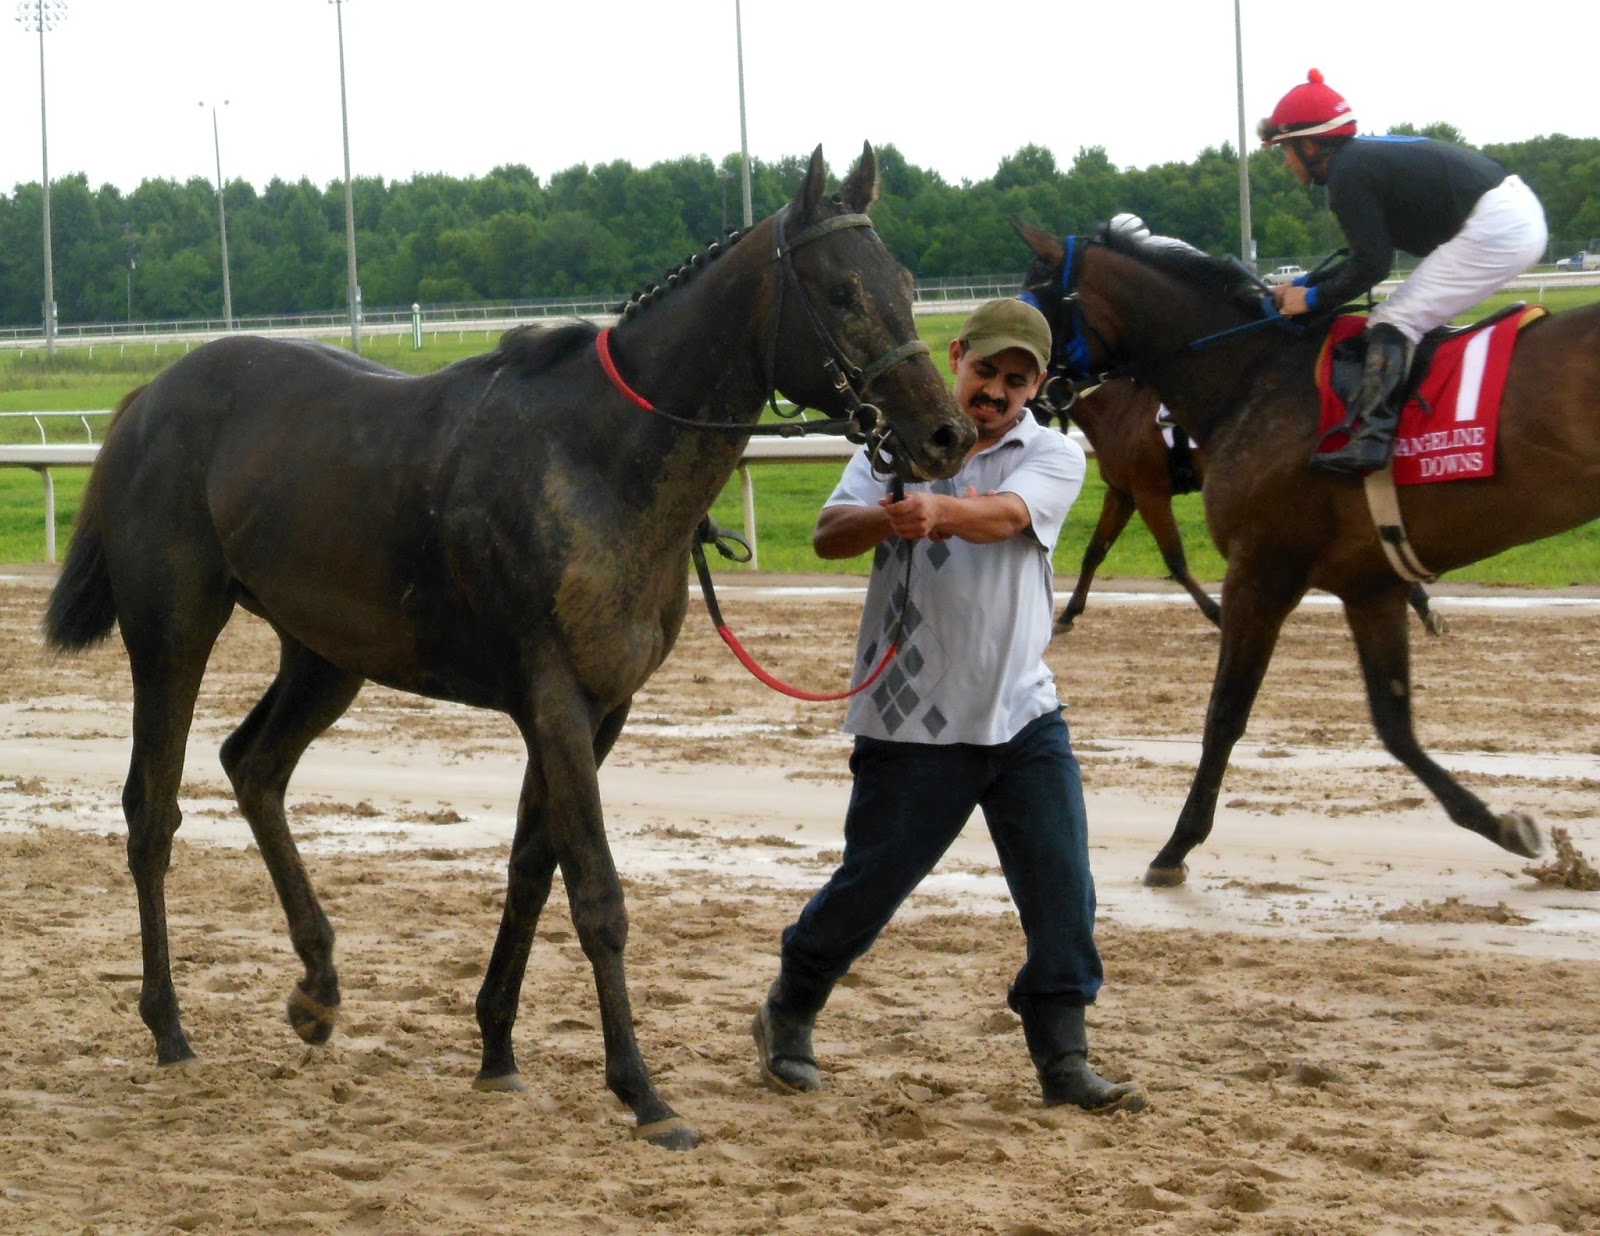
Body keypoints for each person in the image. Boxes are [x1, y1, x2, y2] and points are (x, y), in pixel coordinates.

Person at [751, 297, 1146, 1116]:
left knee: (1062, 890)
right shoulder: (892, 441)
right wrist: (885, 519)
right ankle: (790, 1007)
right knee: (871, 887)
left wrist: (937, 511)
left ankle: (1063, 1058)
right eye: (985, 371)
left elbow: (1005, 517)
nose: (996, 391)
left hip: (1022, 713)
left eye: (1016, 380)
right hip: (910, 722)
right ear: (956, 357)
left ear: (1037, 387)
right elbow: (828, 535)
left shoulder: (1056, 456)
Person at [1258, 68, 1549, 476]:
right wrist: (1307, 283)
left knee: (1394, 318)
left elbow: (1372, 266)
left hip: (1499, 225)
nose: (1286, 162)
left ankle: (1372, 440)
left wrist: (1310, 300)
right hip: (1510, 212)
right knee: (1413, 313)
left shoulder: (1347, 174)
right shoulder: (1359, 160)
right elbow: (1369, 253)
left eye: (1285, 150)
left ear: (1310, 145)